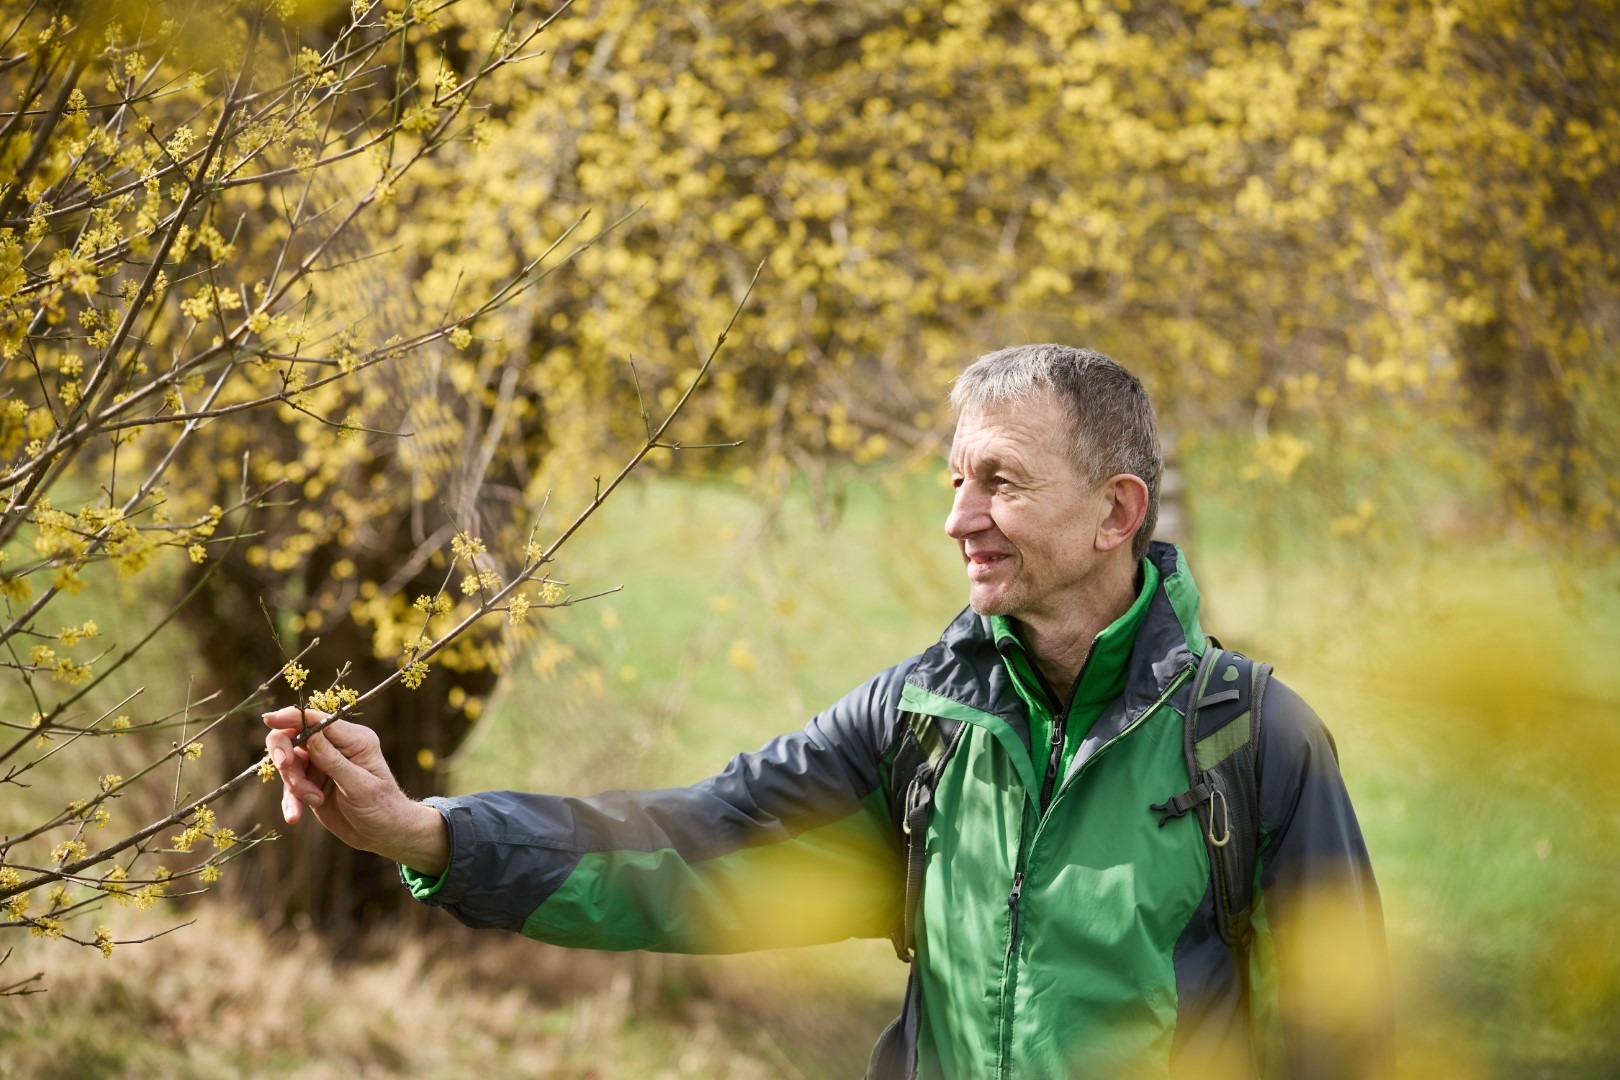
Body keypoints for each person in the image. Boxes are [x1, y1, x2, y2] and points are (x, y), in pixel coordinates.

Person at [266, 344, 1391, 1078]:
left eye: (998, 480)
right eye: (954, 480)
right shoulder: (922, 722)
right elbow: (693, 846)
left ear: (1115, 513)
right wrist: (431, 833)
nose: (960, 519)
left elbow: (1339, 1041)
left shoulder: (1248, 741)